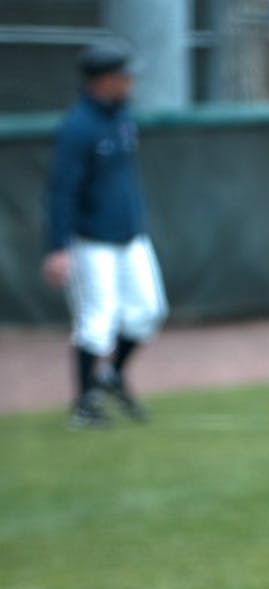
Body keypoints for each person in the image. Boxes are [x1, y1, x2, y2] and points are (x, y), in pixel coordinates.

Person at [42, 40, 168, 430]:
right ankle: (84, 407)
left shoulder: (121, 116)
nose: (130, 82)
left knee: (148, 312)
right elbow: (62, 190)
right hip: (92, 240)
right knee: (97, 324)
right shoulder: (79, 126)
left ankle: (110, 376)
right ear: (104, 80)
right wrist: (58, 247)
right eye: (123, 76)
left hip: (130, 236)